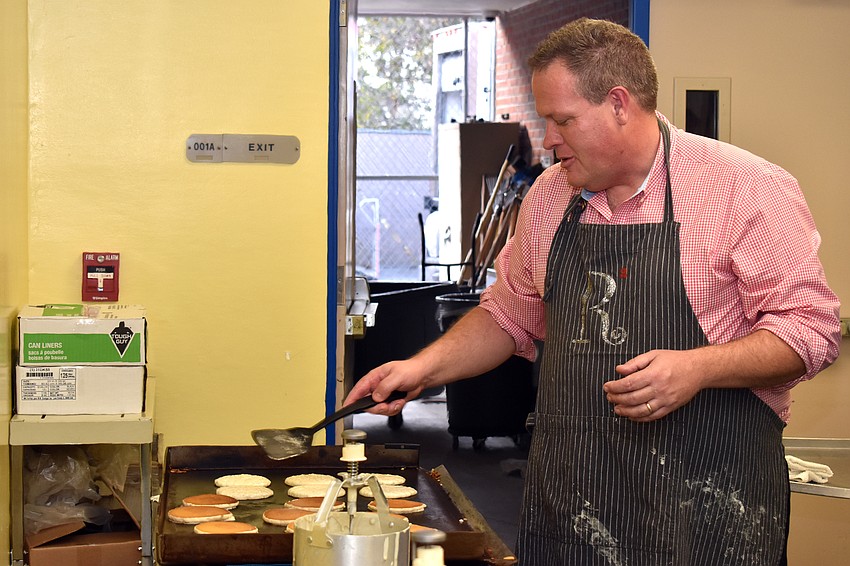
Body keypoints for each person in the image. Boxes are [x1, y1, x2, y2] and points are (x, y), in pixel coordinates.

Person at [346, 17, 840, 565]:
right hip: (575, 508)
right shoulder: (550, 197)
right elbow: (509, 315)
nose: (549, 141)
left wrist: (697, 369)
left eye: (562, 121)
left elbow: (811, 332)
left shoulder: (745, 189)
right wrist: (422, 368)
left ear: (619, 104)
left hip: (708, 516)